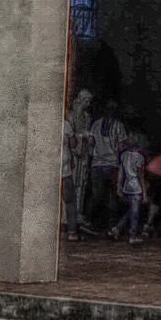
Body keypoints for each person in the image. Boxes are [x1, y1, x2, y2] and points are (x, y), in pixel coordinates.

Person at [61, 90, 94, 235]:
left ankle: (78, 213)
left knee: (82, 184)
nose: (88, 104)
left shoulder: (87, 117)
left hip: (83, 153)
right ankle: (66, 217)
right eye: (86, 100)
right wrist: (82, 136)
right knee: (70, 186)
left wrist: (88, 139)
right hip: (73, 155)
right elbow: (71, 138)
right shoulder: (69, 117)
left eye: (89, 101)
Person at [113, 127, 151, 242]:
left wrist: (119, 185)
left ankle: (118, 228)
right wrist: (144, 193)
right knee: (135, 211)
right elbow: (141, 176)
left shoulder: (124, 155)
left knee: (132, 209)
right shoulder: (140, 157)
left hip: (127, 185)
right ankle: (132, 235)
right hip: (136, 187)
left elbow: (121, 172)